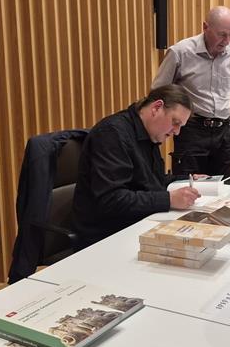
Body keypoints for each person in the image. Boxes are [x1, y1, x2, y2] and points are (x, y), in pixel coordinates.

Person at [72, 85, 201, 249]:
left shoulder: (150, 134)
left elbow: (153, 180)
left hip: (138, 224)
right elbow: (112, 200)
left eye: (181, 126)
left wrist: (187, 180)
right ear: (157, 108)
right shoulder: (111, 134)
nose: (177, 132)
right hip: (106, 236)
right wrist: (169, 199)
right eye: (175, 123)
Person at [151, 6, 230, 177]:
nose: (226, 41)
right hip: (192, 130)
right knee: (189, 184)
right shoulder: (180, 52)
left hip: (224, 131)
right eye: (222, 34)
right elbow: (158, 91)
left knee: (223, 185)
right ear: (205, 27)